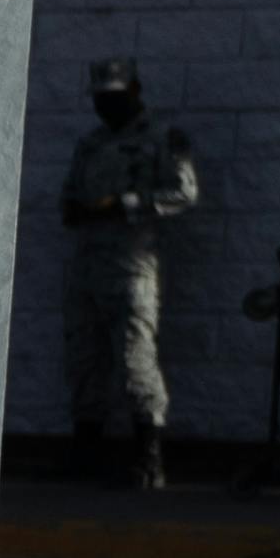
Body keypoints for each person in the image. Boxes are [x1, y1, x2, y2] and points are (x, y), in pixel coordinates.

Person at [58, 59, 202, 488]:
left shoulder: (163, 138)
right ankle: (86, 453)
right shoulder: (91, 144)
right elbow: (70, 197)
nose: (107, 106)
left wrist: (125, 204)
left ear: (135, 91)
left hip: (131, 267)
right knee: (83, 361)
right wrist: (79, 210)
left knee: (134, 357)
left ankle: (149, 455)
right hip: (87, 266)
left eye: (115, 98)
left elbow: (184, 192)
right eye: (101, 100)